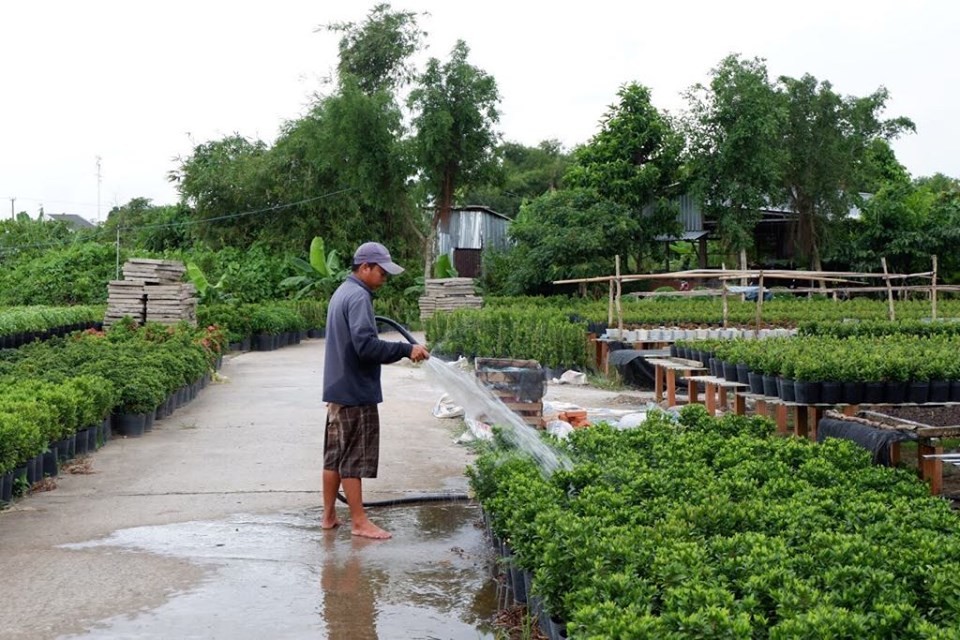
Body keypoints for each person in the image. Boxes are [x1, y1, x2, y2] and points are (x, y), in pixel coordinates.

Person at [321, 241, 430, 539]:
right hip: (355, 391)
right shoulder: (358, 298)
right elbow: (366, 346)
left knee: (334, 456)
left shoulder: (343, 292)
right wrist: (406, 349)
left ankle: (329, 516)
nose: (385, 278)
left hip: (338, 388)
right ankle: (359, 522)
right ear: (365, 267)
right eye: (382, 272)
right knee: (353, 458)